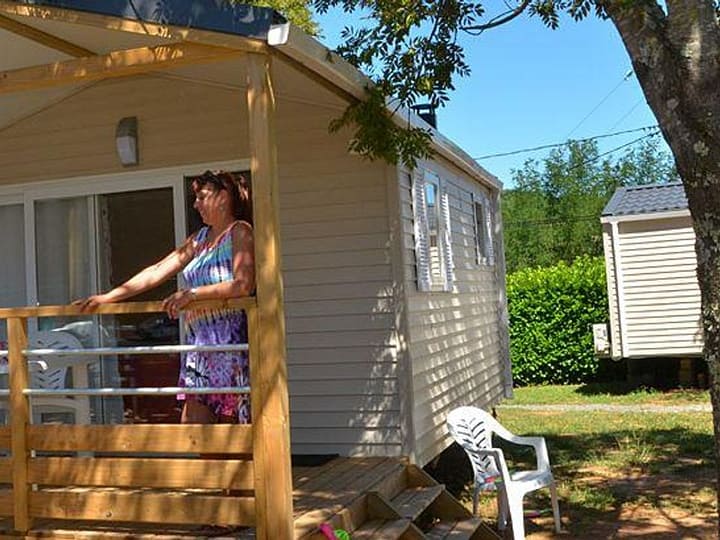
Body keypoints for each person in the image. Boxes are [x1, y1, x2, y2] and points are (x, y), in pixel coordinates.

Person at [76, 170, 255, 424]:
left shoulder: (240, 231)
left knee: (231, 432)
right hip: (199, 347)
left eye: (202, 197)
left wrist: (193, 295)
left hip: (230, 345)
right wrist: (108, 297)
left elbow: (243, 284)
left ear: (223, 197)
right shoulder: (199, 240)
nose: (196, 204)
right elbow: (157, 270)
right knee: (193, 430)